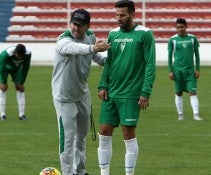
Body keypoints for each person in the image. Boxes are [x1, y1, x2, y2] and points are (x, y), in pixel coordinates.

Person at [96, 1, 156, 175]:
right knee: (103, 132)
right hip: (111, 92)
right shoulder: (113, 34)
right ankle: (104, 173)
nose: (118, 18)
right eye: (116, 15)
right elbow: (109, 63)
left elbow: (150, 65)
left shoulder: (145, 34)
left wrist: (146, 91)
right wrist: (102, 85)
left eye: (122, 15)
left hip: (131, 93)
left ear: (132, 14)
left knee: (127, 133)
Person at [52, 8, 110, 175]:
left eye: (80, 25)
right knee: (67, 140)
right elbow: (75, 49)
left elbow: (96, 58)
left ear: (87, 26)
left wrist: (109, 60)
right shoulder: (63, 40)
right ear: (70, 23)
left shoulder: (90, 36)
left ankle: (81, 171)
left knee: (81, 138)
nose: (76, 28)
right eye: (74, 24)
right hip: (64, 97)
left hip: (82, 95)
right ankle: (67, 172)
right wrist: (93, 48)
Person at [168, 18, 202, 121]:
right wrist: (170, 71)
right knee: (178, 93)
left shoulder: (192, 38)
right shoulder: (172, 39)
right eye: (178, 27)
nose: (180, 29)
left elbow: (197, 55)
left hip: (190, 71)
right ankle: (181, 115)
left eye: (182, 27)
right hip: (178, 71)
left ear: (186, 27)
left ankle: (196, 115)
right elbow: (169, 57)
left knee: (193, 92)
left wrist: (197, 69)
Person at [0, 44, 31, 121]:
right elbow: (1, 67)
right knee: (3, 88)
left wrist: (22, 82)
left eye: (21, 56)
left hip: (16, 69)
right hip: (4, 68)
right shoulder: (5, 54)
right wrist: (3, 81)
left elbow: (26, 67)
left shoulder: (28, 54)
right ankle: (2, 115)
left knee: (20, 88)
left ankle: (22, 115)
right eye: (18, 55)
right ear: (15, 52)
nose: (19, 58)